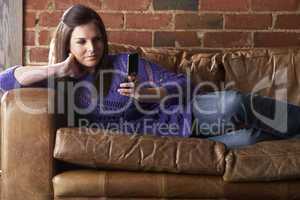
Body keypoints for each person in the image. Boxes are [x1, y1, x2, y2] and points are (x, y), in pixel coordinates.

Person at [0, 4, 299, 149]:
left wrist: (152, 93)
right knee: (249, 138)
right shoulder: (59, 82)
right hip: (169, 139)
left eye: (98, 39)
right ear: (68, 43)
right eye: (81, 42)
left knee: (233, 103)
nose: (92, 48)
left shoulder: (124, 63)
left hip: (186, 115)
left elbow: (185, 85)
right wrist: (57, 68)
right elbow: (3, 81)